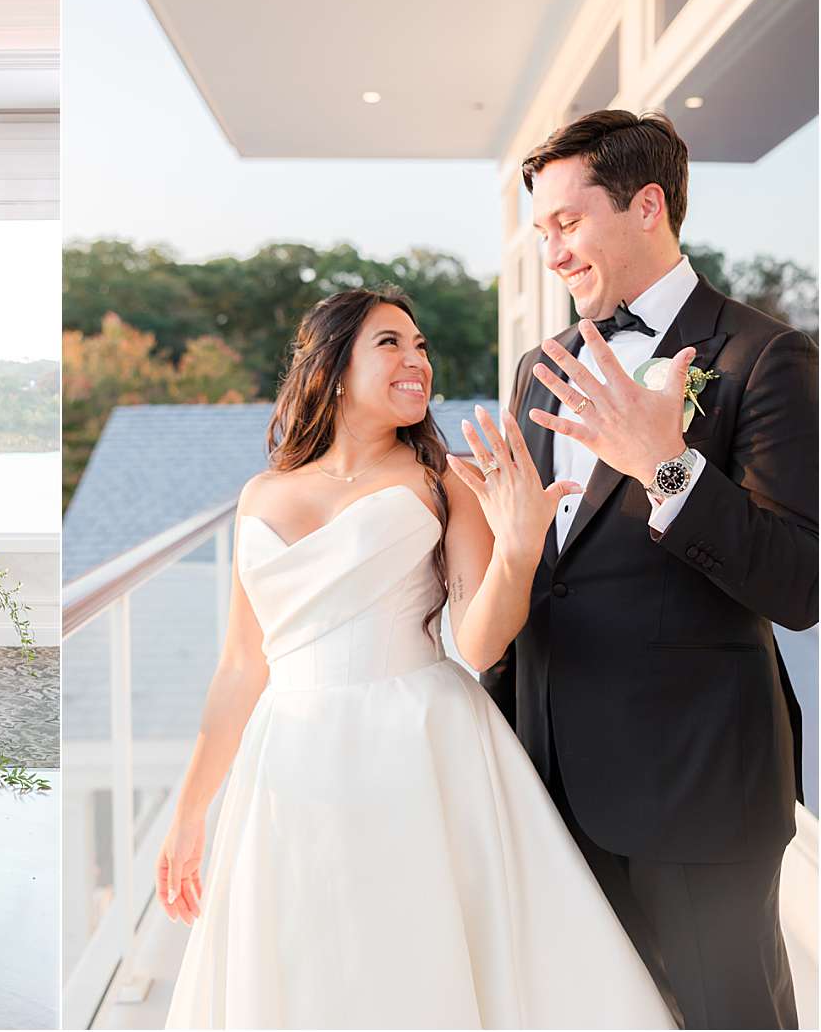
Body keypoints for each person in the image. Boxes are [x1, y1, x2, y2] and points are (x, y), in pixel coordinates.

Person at [157, 287, 675, 1028]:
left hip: (417, 748)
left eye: (423, 345)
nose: (416, 360)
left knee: (415, 963)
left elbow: (478, 642)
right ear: (333, 369)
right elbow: (242, 665)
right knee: (306, 968)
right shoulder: (260, 493)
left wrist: (520, 550)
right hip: (290, 759)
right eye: (391, 343)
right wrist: (188, 815)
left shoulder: (446, 480)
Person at [485, 108, 816, 1029]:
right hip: (552, 780)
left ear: (647, 205)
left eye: (566, 223)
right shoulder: (537, 368)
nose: (550, 252)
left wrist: (667, 467)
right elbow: (541, 567)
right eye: (540, 231)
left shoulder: (765, 358)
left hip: (698, 787)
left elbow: (799, 585)